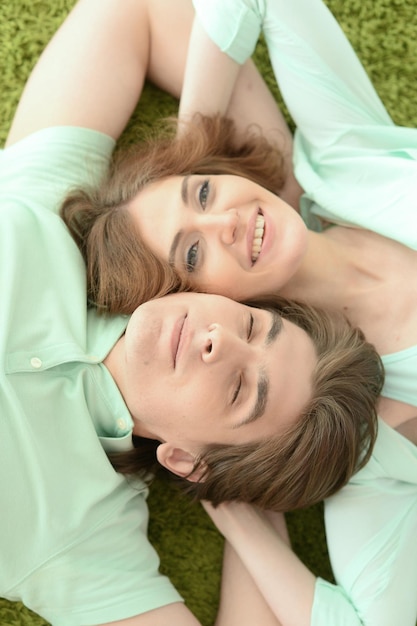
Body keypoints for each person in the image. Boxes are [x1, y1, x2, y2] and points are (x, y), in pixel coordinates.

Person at [1, 2, 389, 625]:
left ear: (188, 460)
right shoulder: (51, 213)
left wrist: (258, 522)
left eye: (239, 389)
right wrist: (274, 190)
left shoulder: (82, 542)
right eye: (251, 324)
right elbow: (136, 11)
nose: (218, 343)